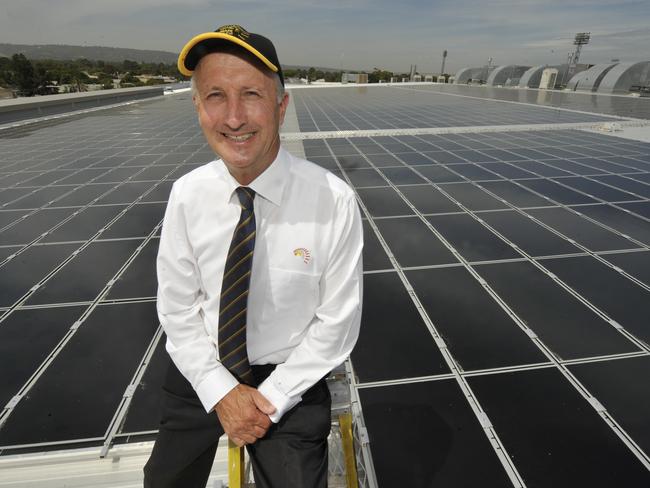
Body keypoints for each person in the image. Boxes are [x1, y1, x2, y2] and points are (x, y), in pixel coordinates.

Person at [143, 24, 363, 488]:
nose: (235, 117)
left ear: (282, 106)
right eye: (216, 95)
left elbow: (336, 324)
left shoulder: (333, 201)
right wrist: (222, 393)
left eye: (251, 94)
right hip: (203, 369)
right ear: (197, 107)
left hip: (290, 379)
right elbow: (178, 308)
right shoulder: (187, 195)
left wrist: (270, 399)